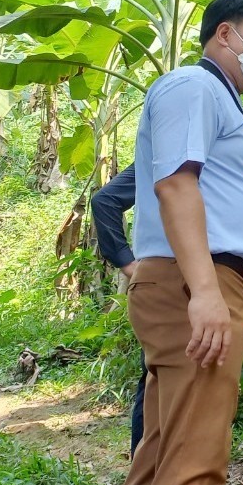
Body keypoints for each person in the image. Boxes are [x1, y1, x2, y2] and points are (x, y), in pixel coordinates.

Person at [102, 0, 243, 485]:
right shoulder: (193, 85)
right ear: (224, 36)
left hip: (195, 283)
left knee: (159, 464)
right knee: (191, 473)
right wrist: (206, 293)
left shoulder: (217, 99)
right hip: (199, 285)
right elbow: (176, 187)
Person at [89, 164, 146, 454]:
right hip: (166, 285)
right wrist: (128, 263)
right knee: (155, 381)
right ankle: (147, 478)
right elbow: (104, 201)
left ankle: (147, 478)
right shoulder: (163, 156)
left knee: (155, 381)